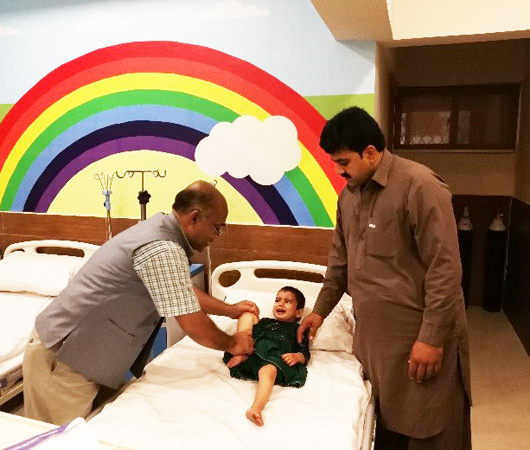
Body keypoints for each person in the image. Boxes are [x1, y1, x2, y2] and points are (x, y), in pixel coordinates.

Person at [297, 107, 471, 450]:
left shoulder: (419, 186)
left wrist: (432, 338)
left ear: (370, 153)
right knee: (384, 427)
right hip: (374, 342)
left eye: (344, 162)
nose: (338, 171)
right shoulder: (348, 197)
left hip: (417, 337)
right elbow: (339, 264)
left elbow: (445, 268)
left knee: (429, 427)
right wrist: (319, 311)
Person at [23, 180, 258, 425]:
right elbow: (192, 323)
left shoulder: (159, 229)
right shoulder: (162, 248)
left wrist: (230, 310)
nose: (217, 236)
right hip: (65, 357)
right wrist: (234, 343)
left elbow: (178, 289)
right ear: (195, 217)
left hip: (87, 355)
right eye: (217, 228)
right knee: (56, 439)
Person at [223, 286, 310, 427]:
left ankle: (255, 408)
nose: (281, 304)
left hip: (274, 360)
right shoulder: (265, 322)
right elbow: (252, 329)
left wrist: (297, 356)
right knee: (247, 315)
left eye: (287, 302)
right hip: (252, 353)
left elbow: (305, 352)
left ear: (299, 312)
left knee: (268, 371)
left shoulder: (298, 330)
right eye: (277, 300)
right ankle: (241, 350)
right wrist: (250, 314)